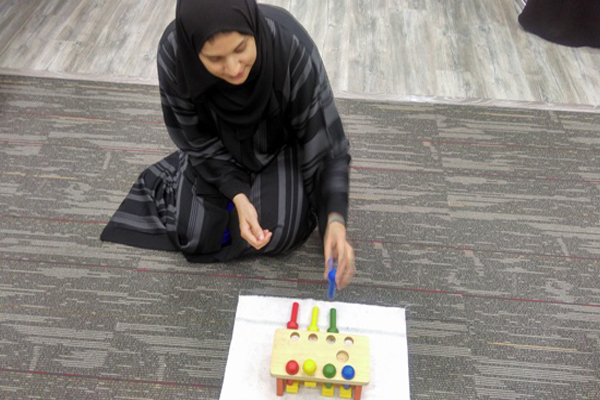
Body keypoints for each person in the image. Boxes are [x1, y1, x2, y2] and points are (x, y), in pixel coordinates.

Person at [100, 0, 355, 289]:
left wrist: (335, 219)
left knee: (278, 230)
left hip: (280, 147)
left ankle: (273, 193)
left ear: (253, 28)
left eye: (241, 48)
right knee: (195, 233)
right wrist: (238, 196)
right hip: (215, 150)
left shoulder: (290, 45)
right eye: (215, 59)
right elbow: (193, 136)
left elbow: (326, 144)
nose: (233, 68)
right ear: (194, 52)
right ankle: (242, 196)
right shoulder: (176, 53)